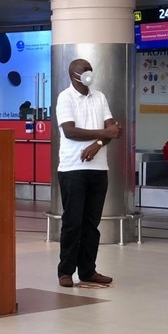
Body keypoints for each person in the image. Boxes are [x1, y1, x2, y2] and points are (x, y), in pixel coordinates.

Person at [55, 58, 122, 288]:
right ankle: (65, 272)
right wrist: (105, 133)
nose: (88, 74)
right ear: (72, 74)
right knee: (72, 222)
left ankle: (88, 270)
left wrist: (98, 144)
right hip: (73, 168)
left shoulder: (100, 96)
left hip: (98, 168)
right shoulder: (65, 97)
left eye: (90, 70)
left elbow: (114, 131)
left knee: (91, 224)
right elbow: (70, 130)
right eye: (83, 70)